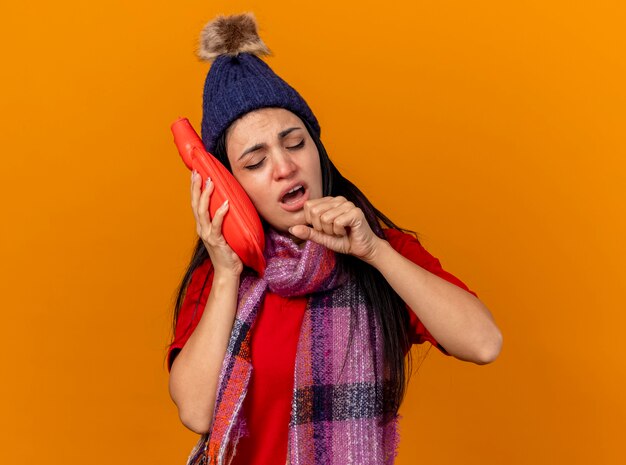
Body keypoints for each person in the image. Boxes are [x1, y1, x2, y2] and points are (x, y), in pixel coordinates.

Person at [167, 12, 502, 465]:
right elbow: (197, 410)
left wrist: (376, 253)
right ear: (229, 185)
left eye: (295, 142)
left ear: (317, 149)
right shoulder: (217, 278)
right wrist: (227, 273)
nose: (285, 166)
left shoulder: (382, 251)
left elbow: (484, 343)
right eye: (255, 161)